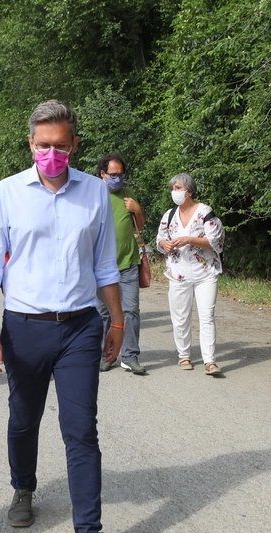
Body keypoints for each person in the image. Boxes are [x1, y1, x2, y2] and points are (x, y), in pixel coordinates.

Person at [0, 100, 126, 533]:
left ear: (75, 144)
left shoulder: (95, 193)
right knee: (24, 419)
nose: (52, 154)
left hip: (81, 326)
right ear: (30, 144)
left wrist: (117, 322)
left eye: (61, 146)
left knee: (81, 430)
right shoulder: (7, 193)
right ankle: (23, 487)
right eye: (43, 146)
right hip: (24, 328)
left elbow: (105, 265)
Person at [155, 173, 226, 376]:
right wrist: (164, 244)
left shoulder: (205, 213)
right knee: (180, 317)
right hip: (178, 273)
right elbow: (159, 239)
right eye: (173, 188)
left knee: (207, 316)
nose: (174, 192)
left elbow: (215, 241)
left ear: (190, 191)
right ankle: (184, 355)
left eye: (178, 188)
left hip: (205, 272)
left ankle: (210, 361)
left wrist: (189, 239)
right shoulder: (169, 215)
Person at [96, 151, 147, 375]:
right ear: (103, 174)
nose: (117, 178)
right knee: (103, 313)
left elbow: (140, 226)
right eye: (113, 174)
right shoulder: (93, 194)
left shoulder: (128, 194)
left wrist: (137, 209)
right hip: (102, 267)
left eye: (120, 174)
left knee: (131, 311)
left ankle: (130, 356)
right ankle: (107, 356)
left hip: (128, 264)